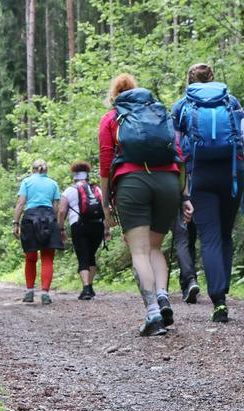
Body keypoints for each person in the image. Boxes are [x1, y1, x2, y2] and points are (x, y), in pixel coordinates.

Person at [99, 73, 193, 336]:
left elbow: (106, 165)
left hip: (132, 183)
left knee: (139, 251)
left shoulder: (112, 118)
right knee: (155, 247)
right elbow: (178, 155)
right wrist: (185, 196)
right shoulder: (158, 114)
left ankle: (152, 312)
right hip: (168, 182)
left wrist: (106, 204)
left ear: (114, 96)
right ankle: (163, 295)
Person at [172, 63, 244, 322]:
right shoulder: (230, 101)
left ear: (189, 81)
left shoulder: (182, 105)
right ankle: (224, 291)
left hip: (201, 177)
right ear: (214, 79)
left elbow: (175, 149)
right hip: (232, 174)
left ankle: (219, 302)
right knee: (225, 236)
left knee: (209, 238)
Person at [13, 159, 63, 305]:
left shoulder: (27, 182)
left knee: (30, 257)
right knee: (47, 258)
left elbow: (21, 203)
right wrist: (58, 226)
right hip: (49, 219)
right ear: (46, 170)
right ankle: (45, 293)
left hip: (30, 219)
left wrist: (15, 222)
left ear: (32, 169)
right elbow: (56, 208)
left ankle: (29, 292)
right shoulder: (53, 183)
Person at [58, 161, 109, 300]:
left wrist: (61, 228)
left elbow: (62, 211)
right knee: (91, 255)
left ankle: (86, 288)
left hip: (79, 226)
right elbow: (105, 208)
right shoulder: (96, 189)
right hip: (97, 225)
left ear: (74, 175)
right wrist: (106, 228)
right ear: (87, 175)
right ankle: (90, 287)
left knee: (83, 256)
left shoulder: (69, 190)